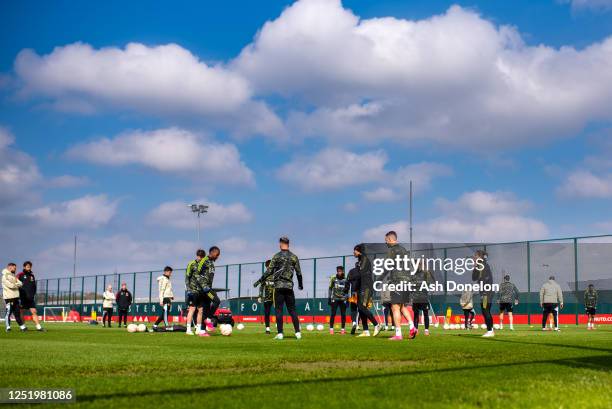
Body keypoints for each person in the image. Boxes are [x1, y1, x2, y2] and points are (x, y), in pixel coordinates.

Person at [254, 236, 303, 340]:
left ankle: (280, 333)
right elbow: (299, 273)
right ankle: (298, 333)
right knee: (292, 310)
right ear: (288, 244)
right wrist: (300, 285)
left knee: (279, 310)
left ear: (281, 243)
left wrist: (260, 280)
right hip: (289, 287)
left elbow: (269, 271)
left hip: (279, 287)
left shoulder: (276, 256)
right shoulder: (294, 257)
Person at [384, 232, 416, 341]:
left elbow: (387, 265)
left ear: (390, 239)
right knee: (402, 306)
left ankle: (398, 334)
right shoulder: (404, 250)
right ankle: (412, 327)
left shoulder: (392, 250)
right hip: (407, 281)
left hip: (398, 280)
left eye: (386, 240)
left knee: (395, 307)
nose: (385, 242)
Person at [354, 244, 382, 338]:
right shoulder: (359, 261)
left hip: (366, 287)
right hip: (361, 287)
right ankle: (366, 331)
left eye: (355, 250)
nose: (354, 252)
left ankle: (376, 324)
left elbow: (360, 273)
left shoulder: (364, 259)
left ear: (359, 251)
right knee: (360, 308)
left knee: (362, 307)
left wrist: (352, 275)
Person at [197, 246, 221, 337]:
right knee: (216, 301)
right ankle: (208, 319)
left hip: (208, 288)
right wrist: (203, 286)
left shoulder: (211, 262)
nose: (217, 257)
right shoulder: (204, 260)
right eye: (217, 255)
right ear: (213, 253)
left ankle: (202, 331)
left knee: (206, 309)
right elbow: (196, 274)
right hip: (204, 289)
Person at [472, 250, 494, 337]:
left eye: (475, 256)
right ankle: (491, 330)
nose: (474, 258)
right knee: (486, 310)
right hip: (487, 292)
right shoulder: (481, 264)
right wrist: (475, 266)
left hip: (486, 292)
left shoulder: (482, 264)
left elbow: (485, 278)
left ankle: (490, 331)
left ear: (479, 257)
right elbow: (474, 278)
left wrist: (484, 292)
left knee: (485, 310)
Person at [16, 261, 43, 331]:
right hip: (22, 297)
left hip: (30, 298)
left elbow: (34, 286)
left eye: (30, 266)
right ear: (24, 267)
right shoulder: (20, 275)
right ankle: (23, 327)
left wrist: (33, 294)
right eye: (27, 266)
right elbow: (15, 284)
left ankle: (38, 327)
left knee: (34, 311)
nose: (29, 267)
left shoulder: (32, 275)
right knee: (21, 312)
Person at [185, 249, 206, 335]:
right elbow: (187, 277)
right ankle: (188, 329)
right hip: (193, 291)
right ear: (197, 256)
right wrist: (188, 289)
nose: (200, 258)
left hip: (200, 291)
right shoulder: (191, 264)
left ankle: (198, 329)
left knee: (200, 310)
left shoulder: (204, 265)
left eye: (202, 257)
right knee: (192, 309)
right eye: (199, 256)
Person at [3, 263, 27, 332]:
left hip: (16, 297)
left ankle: (22, 327)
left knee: (17, 313)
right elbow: (11, 286)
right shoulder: (5, 276)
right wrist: (17, 284)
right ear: (10, 267)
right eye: (14, 268)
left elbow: (21, 283)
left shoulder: (13, 276)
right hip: (9, 298)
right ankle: (8, 328)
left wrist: (16, 284)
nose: (15, 269)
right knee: (9, 312)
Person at [411, 268, 435, 336]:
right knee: (420, 315)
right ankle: (419, 330)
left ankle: (425, 330)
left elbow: (432, 281)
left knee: (423, 314)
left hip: (422, 299)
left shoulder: (424, 280)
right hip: (418, 299)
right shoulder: (415, 278)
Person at [328, 265, 348, 334]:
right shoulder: (333, 278)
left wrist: (347, 299)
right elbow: (330, 288)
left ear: (343, 271)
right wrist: (329, 298)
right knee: (333, 314)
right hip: (335, 298)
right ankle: (331, 329)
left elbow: (348, 290)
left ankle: (342, 329)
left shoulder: (346, 279)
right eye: (338, 271)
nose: (339, 272)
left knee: (343, 314)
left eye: (340, 271)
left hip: (343, 299)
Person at [256, 260, 274, 334]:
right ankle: (267, 329)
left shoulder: (276, 275)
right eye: (267, 267)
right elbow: (261, 286)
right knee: (267, 313)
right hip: (267, 297)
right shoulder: (265, 276)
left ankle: (279, 328)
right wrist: (260, 296)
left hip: (276, 296)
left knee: (279, 311)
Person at [346, 262, 361, 334]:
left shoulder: (351, 271)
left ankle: (354, 322)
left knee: (353, 308)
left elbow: (347, 281)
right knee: (362, 308)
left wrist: (346, 290)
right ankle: (361, 326)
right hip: (362, 292)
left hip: (354, 292)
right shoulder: (363, 271)